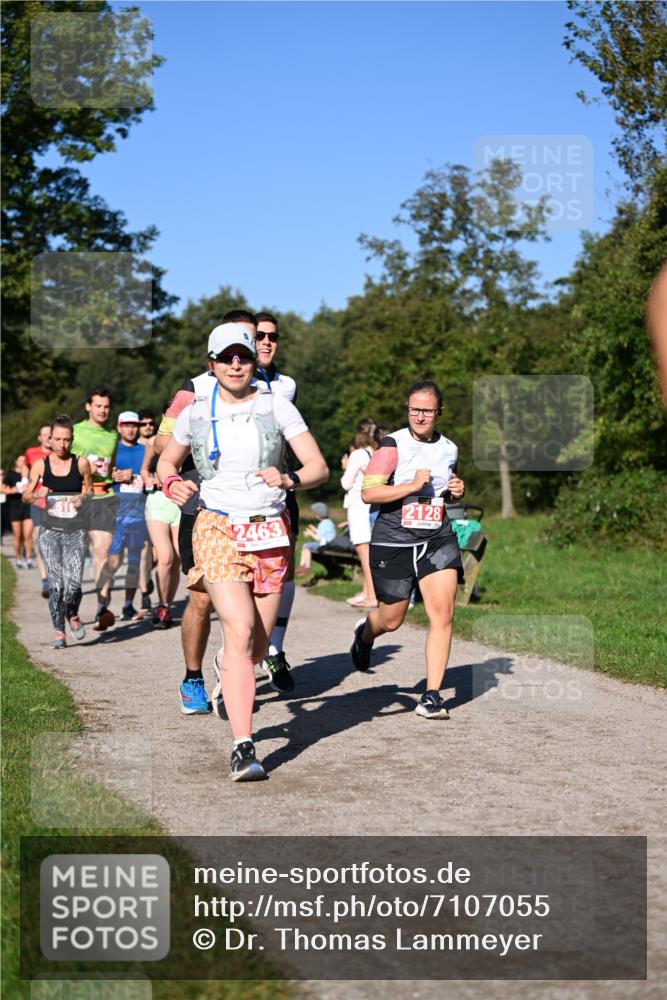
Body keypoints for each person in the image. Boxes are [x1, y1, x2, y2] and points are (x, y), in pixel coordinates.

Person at [157, 322, 328, 781]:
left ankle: (228, 664)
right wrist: (172, 482)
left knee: (254, 647)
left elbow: (318, 467)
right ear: (210, 363)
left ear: (255, 362)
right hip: (216, 525)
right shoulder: (196, 410)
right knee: (238, 624)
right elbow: (165, 461)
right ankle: (243, 746)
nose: (236, 364)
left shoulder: (278, 407)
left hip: (270, 531)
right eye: (227, 357)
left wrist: (289, 478)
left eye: (244, 357)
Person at [153, 309, 259, 705]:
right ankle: (193, 677)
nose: (247, 352)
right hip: (202, 506)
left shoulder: (273, 393)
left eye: (253, 343)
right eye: (238, 344)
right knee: (201, 597)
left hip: (256, 511)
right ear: (215, 354)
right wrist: (177, 477)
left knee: (253, 599)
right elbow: (162, 446)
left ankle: (231, 659)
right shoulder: (192, 392)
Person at [351, 380, 465, 720]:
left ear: (439, 412)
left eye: (427, 410)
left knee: (442, 614)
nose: (419, 416)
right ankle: (366, 634)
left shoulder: (450, 448)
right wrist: (410, 486)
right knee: (392, 619)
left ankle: (431, 695)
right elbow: (369, 495)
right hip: (394, 541)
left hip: (436, 538)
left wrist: (456, 490)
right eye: (414, 409)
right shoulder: (392, 445)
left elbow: (444, 488)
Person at [253, 312, 300, 694]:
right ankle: (238, 654)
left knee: (284, 574)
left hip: (281, 491)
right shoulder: (231, 380)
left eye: (273, 336)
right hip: (238, 497)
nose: (267, 342)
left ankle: (274, 650)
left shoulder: (288, 385)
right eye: (260, 335)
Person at [22, 415, 92, 648]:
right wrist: (37, 494)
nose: (62, 444)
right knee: (56, 584)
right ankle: (58, 631)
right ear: (50, 439)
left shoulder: (81, 463)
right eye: (58, 439)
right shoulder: (41, 465)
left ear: (72, 440)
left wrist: (83, 498)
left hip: (75, 530)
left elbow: (90, 491)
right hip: (50, 531)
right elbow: (25, 495)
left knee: (73, 584)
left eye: (67, 440)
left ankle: (72, 612)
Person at [96, 411, 148, 626]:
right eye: (126, 425)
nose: (131, 429)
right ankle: (102, 602)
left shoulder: (146, 450)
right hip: (116, 512)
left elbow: (151, 475)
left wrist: (136, 477)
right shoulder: (112, 450)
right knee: (113, 560)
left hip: (139, 512)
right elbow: (99, 478)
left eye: (134, 425)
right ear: (119, 428)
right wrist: (112, 477)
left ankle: (128, 605)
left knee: (135, 562)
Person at [71, 387, 118, 624]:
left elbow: (112, 466)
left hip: (103, 498)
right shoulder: (75, 432)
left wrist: (117, 473)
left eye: (106, 406)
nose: (103, 410)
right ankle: (72, 607)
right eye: (98, 405)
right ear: (88, 406)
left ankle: (102, 607)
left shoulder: (112, 435)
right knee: (76, 557)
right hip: (77, 499)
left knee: (102, 552)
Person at [141, 402, 181, 628]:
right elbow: (145, 468)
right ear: (164, 416)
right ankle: (162, 605)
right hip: (158, 501)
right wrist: (149, 478)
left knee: (176, 558)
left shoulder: (189, 439)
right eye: (171, 415)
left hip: (180, 502)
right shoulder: (154, 441)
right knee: (164, 556)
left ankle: (167, 604)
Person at [341, 418, 378, 608]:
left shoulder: (356, 455)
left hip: (358, 506)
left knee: (364, 552)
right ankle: (366, 591)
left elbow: (346, 483)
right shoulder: (376, 453)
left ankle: (372, 596)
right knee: (369, 551)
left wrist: (347, 466)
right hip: (372, 507)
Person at [23, 425, 53, 597]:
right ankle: (45, 580)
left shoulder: (60, 454)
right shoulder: (31, 453)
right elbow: (26, 469)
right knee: (38, 538)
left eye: (51, 434)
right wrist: (25, 482)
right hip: (37, 502)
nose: (49, 437)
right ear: (40, 438)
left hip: (56, 503)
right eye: (45, 435)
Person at [1, 456, 33, 568]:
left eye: (25, 460)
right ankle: (18, 558)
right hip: (14, 506)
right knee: (18, 535)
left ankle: (28, 559)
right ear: (16, 462)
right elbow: (2, 488)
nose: (23, 462)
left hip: (27, 506)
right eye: (20, 460)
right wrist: (14, 490)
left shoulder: (30, 473)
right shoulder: (10, 475)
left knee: (28, 534)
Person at [297, 502, 337, 572]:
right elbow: (323, 533)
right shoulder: (329, 522)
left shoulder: (322, 524)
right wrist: (314, 529)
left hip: (325, 544)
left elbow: (318, 538)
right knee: (306, 546)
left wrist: (310, 533)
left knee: (306, 546)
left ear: (319, 515)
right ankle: (303, 565)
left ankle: (306, 566)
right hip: (330, 543)